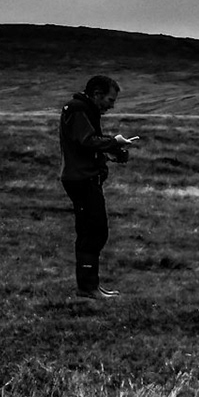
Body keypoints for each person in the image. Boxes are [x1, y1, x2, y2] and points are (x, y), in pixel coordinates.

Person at [58, 75, 141, 299]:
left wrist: (111, 152)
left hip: (84, 177)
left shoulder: (83, 109)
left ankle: (91, 285)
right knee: (92, 232)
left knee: (93, 231)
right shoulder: (77, 109)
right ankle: (88, 288)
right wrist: (115, 142)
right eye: (110, 100)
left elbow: (87, 143)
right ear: (96, 94)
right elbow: (86, 141)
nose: (112, 105)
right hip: (81, 179)